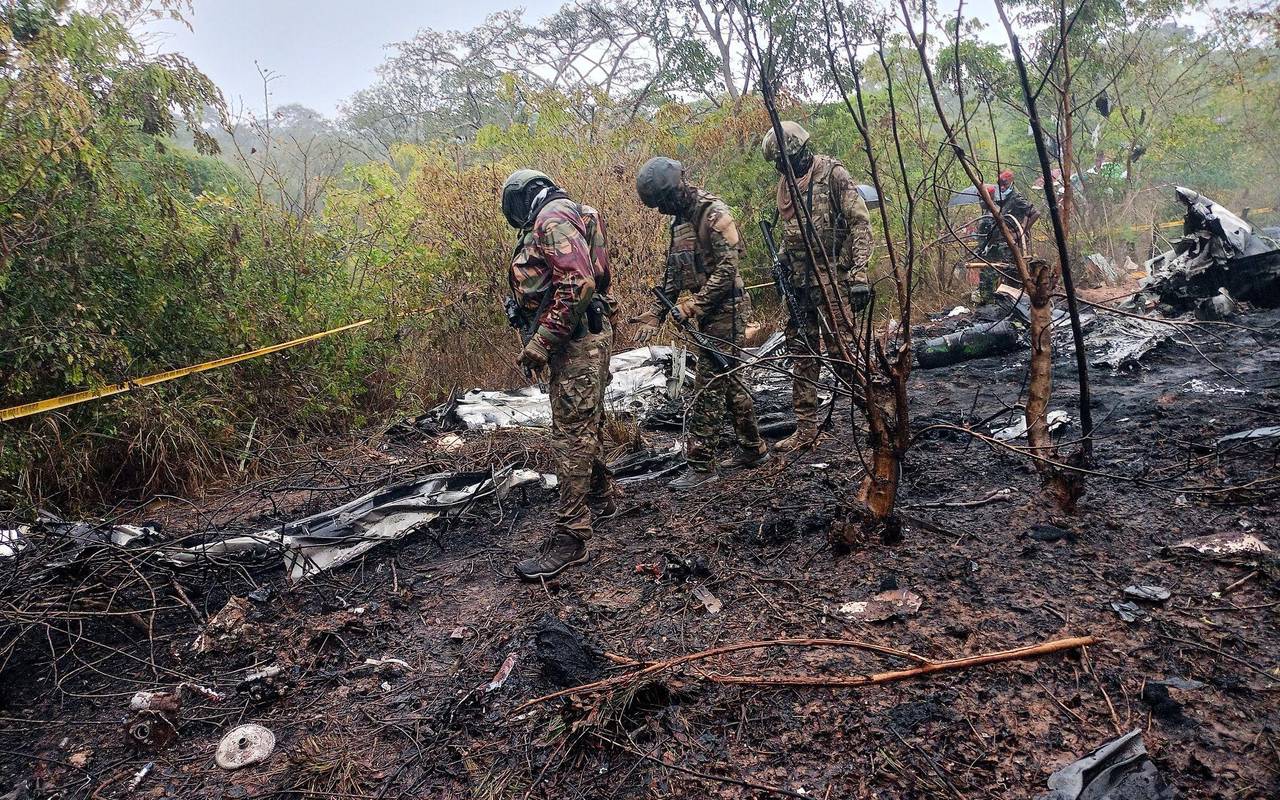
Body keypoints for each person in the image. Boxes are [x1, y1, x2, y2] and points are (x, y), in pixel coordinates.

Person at [501, 169, 616, 581]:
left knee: (570, 435)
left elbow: (578, 283)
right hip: (587, 338)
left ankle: (572, 538)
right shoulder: (576, 212)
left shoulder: (551, 219)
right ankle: (601, 496)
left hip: (575, 343)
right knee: (585, 426)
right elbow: (594, 279)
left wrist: (540, 343)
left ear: (520, 199)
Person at [631, 157, 769, 489]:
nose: (662, 210)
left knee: (709, 385)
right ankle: (753, 448)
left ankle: (702, 465)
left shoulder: (714, 213)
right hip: (707, 311)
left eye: (663, 202)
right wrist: (656, 311)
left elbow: (727, 271)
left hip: (727, 308)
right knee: (731, 380)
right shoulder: (679, 222)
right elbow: (673, 271)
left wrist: (693, 305)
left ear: (677, 189)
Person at [761, 121, 872, 452]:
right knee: (803, 355)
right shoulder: (786, 186)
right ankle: (807, 430)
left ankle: (875, 415)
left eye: (784, 161)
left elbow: (860, 225)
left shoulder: (833, 175)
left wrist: (860, 274)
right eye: (778, 164)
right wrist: (780, 262)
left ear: (800, 152)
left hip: (832, 282)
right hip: (800, 284)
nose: (781, 168)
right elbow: (790, 233)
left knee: (843, 354)